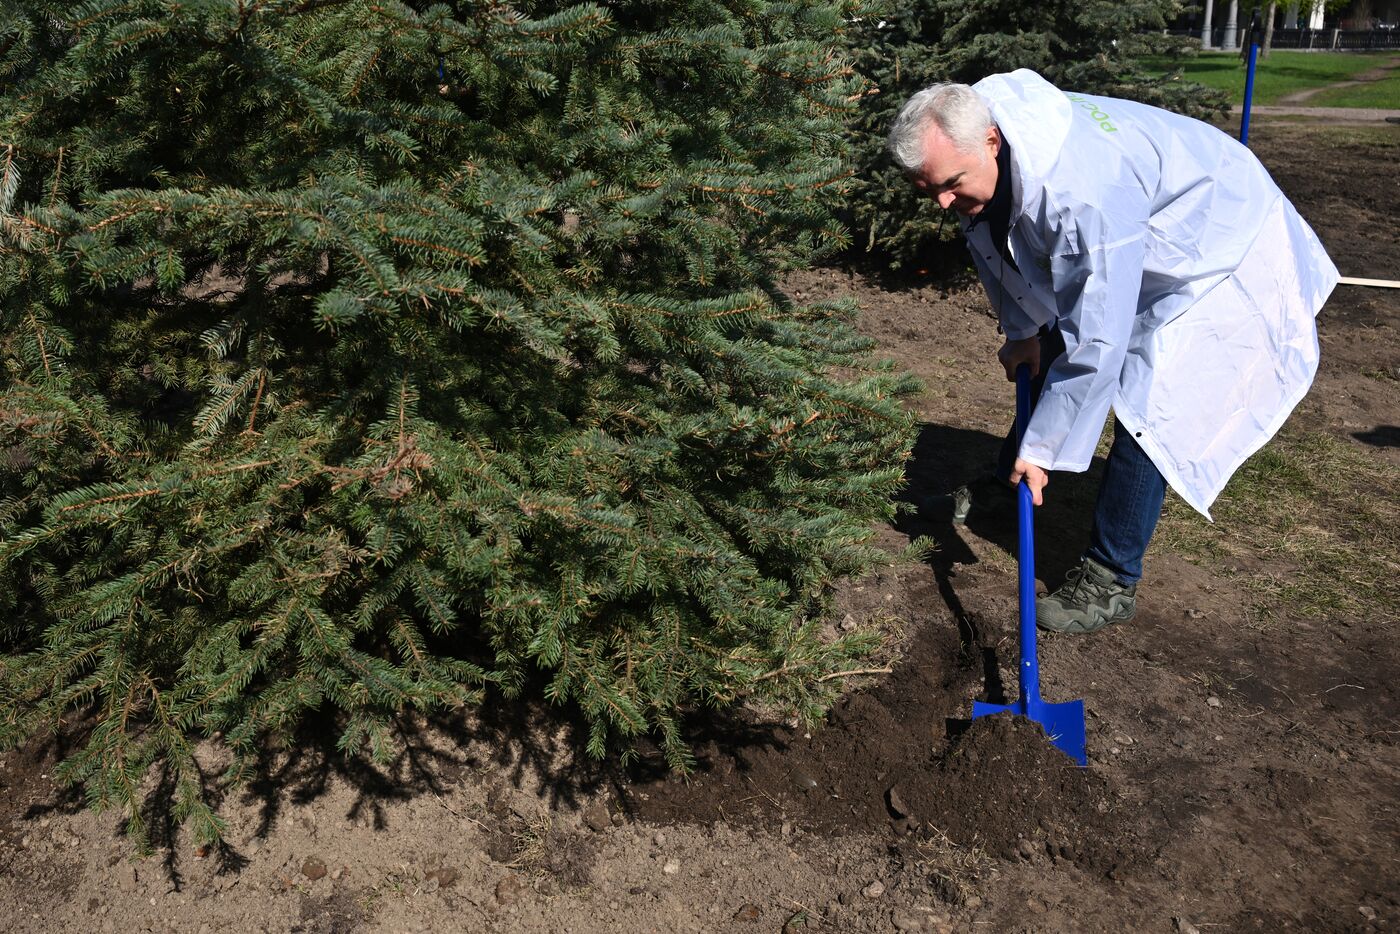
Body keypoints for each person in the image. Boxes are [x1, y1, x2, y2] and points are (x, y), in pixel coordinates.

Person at [887, 70, 1338, 634]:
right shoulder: (975, 138)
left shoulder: (1082, 191)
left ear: (992, 143)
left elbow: (1098, 337)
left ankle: (1110, 578)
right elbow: (992, 240)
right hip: (1144, 230)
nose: (943, 202)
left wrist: (1047, 446)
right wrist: (1023, 330)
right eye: (928, 190)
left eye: (950, 184)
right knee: (1052, 350)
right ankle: (1008, 492)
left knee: (1149, 404)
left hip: (1221, 245)